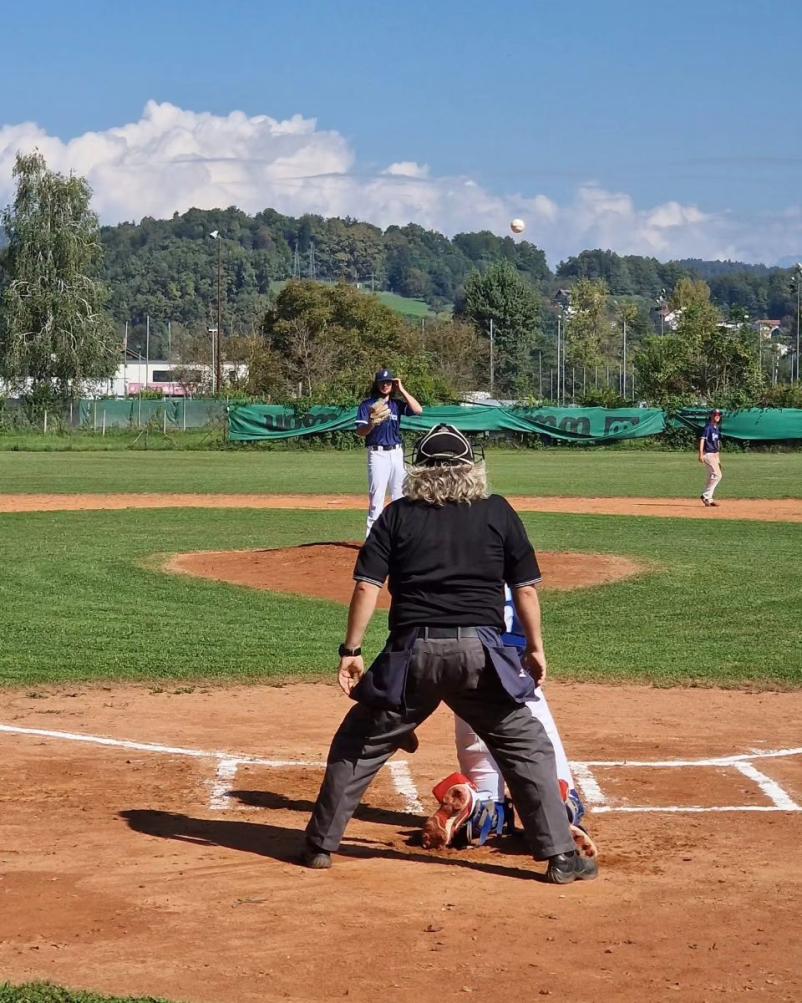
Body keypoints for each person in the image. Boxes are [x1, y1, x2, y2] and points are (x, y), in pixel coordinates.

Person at [301, 423, 598, 884]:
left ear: (419, 471)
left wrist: (351, 650)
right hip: (481, 655)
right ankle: (560, 856)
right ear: (470, 469)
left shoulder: (398, 515)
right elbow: (526, 590)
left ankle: (320, 845)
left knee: (357, 746)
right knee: (529, 748)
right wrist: (535, 648)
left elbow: (367, 586)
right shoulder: (497, 511)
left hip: (412, 654)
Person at [421, 585, 597, 861]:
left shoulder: (446, 550)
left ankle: (475, 804)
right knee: (537, 747)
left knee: (489, 800)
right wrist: (535, 647)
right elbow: (525, 591)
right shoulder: (504, 540)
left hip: (465, 656)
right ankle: (560, 807)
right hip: (513, 660)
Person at [356, 369, 423, 536]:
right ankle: (372, 539)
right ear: (377, 384)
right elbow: (361, 432)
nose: (385, 385)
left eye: (389, 382)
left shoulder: (396, 405)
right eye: (382, 382)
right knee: (376, 498)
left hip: (396, 453)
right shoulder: (367, 405)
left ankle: (402, 537)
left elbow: (418, 410)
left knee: (400, 497)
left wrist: (402, 390)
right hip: (377, 454)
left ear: (393, 384)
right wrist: (371, 422)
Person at [699, 408, 723, 507]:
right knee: (717, 475)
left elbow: (716, 444)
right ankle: (705, 496)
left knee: (713, 476)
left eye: (718, 414)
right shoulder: (708, 427)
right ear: (711, 416)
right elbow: (702, 440)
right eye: (715, 414)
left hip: (714, 454)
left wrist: (718, 459)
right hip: (708, 454)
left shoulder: (716, 428)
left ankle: (708, 498)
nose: (717, 416)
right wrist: (700, 454)